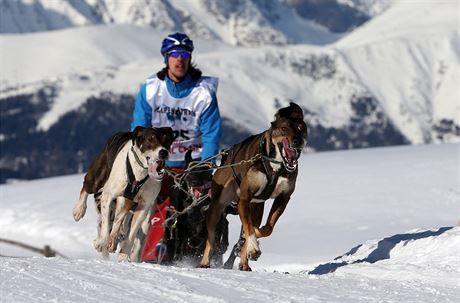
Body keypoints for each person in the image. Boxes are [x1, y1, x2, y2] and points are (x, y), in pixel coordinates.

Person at [130, 32, 222, 262]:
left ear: (190, 58)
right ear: (166, 59)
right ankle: (147, 257)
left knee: (197, 212)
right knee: (153, 207)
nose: (179, 59)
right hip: (158, 164)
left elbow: (212, 132)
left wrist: (203, 168)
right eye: (174, 55)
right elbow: (139, 129)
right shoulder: (151, 89)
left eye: (184, 54)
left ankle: (195, 259)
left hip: (193, 164)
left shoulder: (203, 92)